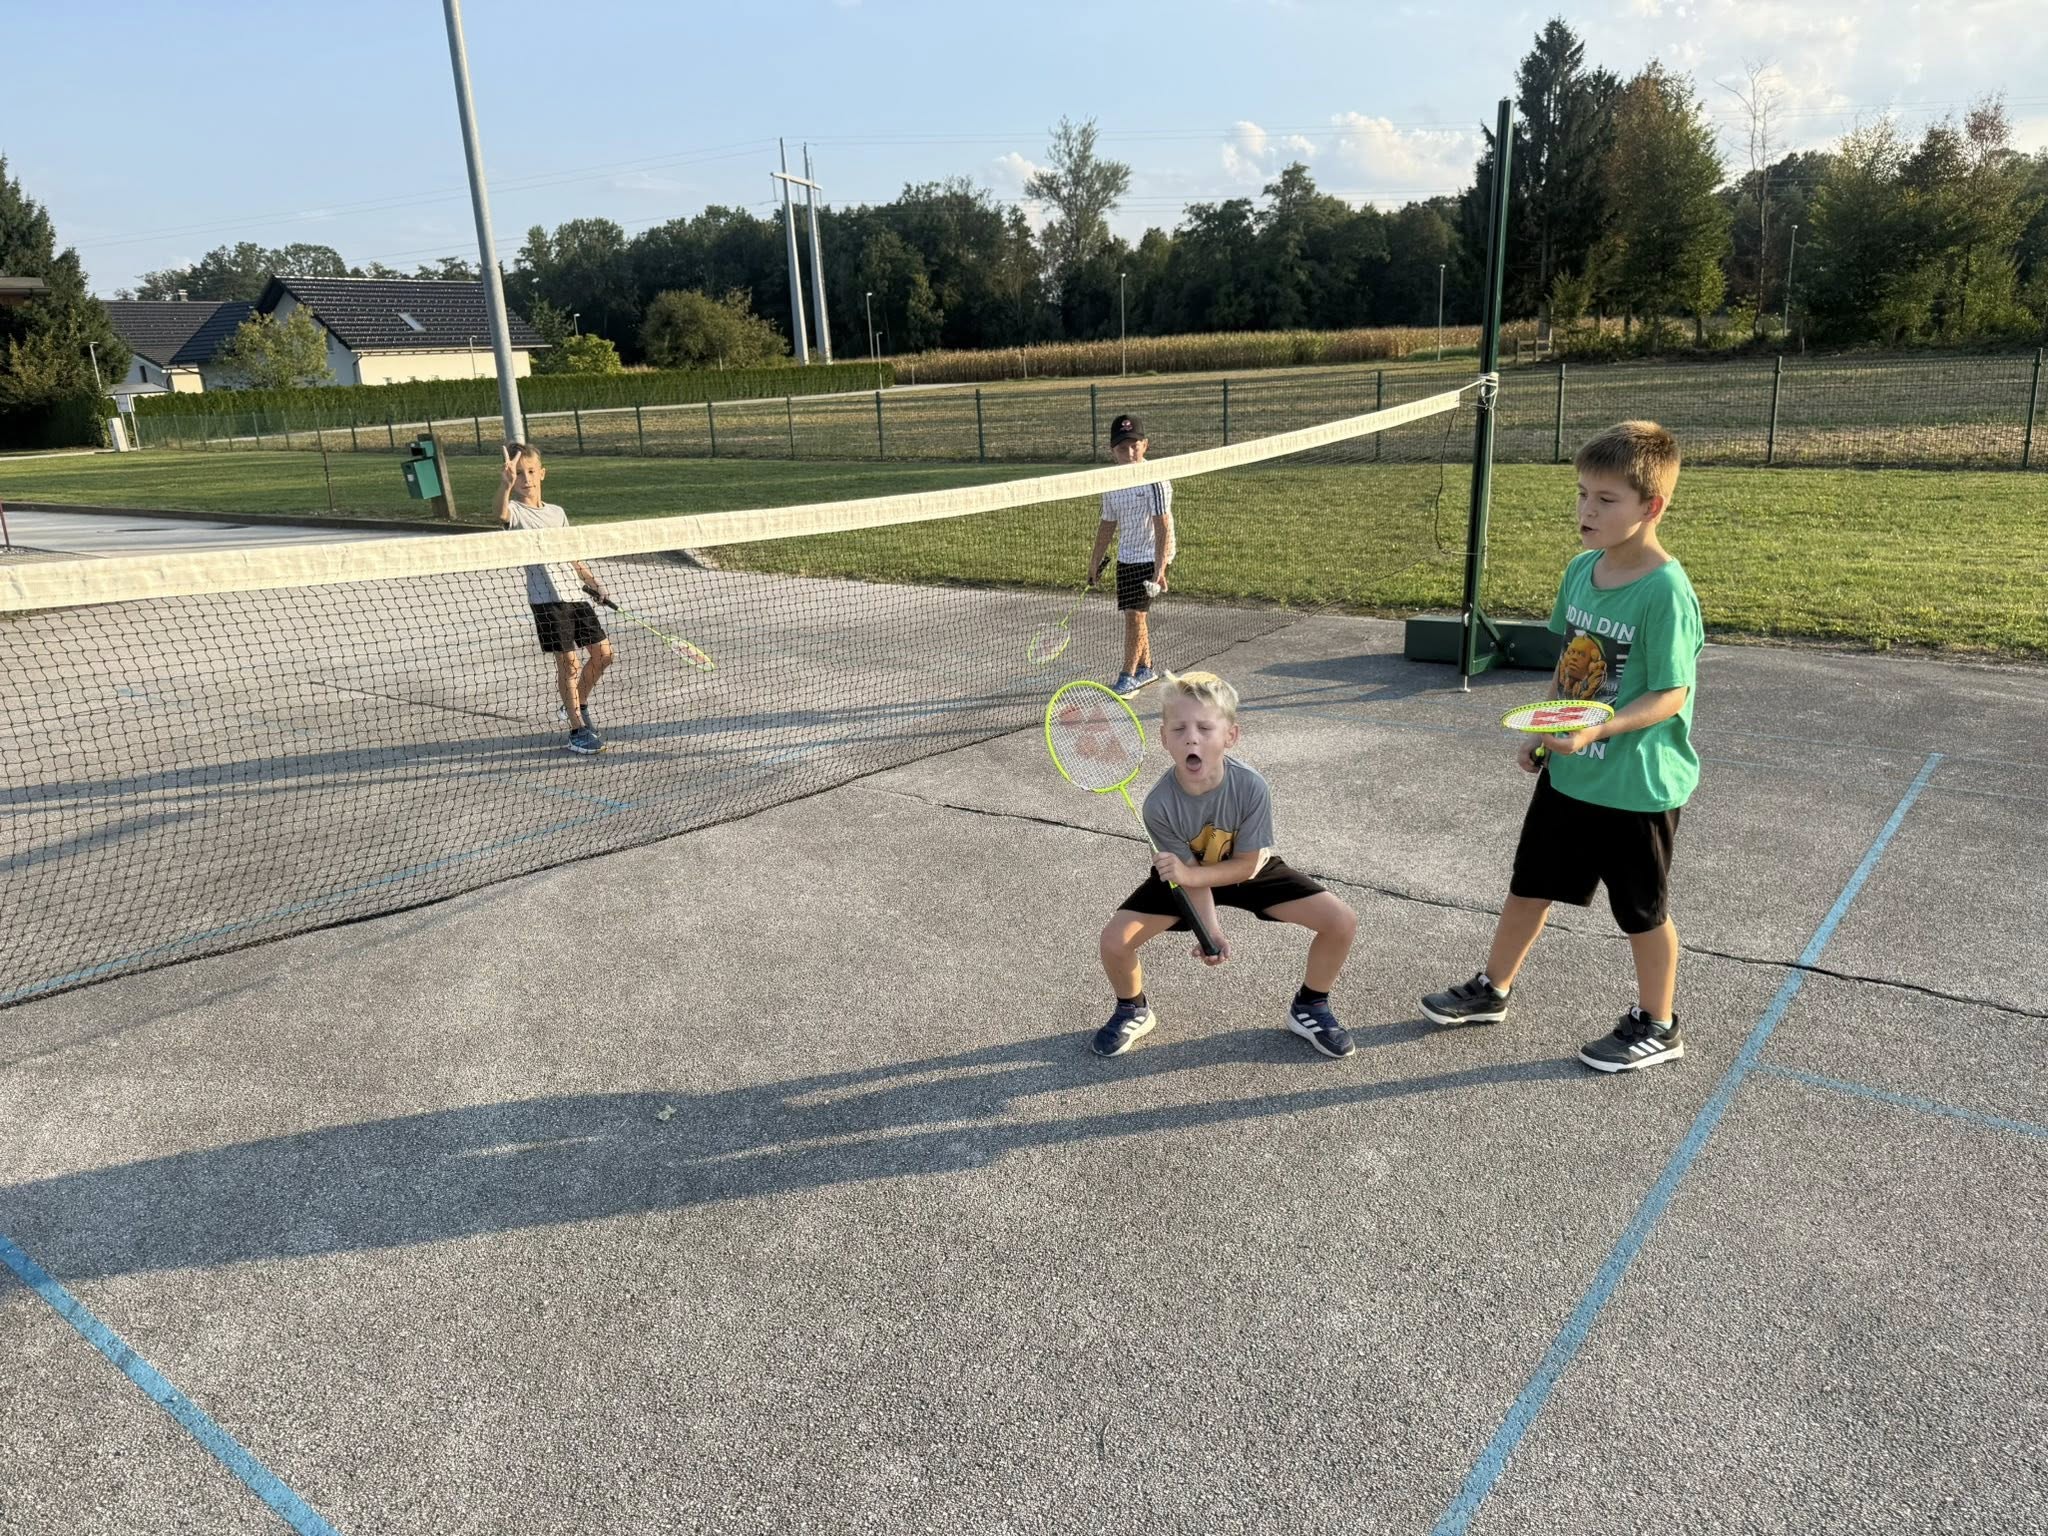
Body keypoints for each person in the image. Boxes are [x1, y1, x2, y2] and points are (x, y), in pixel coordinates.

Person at [1421, 420, 1705, 1073]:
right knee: (1530, 886)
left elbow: (1672, 694)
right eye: (1582, 494)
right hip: (1571, 774)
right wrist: (1546, 732)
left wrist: (1595, 731)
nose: (1587, 510)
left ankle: (1659, 1023)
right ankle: (1492, 989)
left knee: (1641, 913)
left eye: (1606, 499)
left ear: (1651, 507)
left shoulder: (1665, 591)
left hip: (1635, 787)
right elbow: (1571, 665)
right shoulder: (1581, 571)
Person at [1094, 671, 1359, 1060]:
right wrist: (1210, 930)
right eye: (1180, 728)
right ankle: (1133, 1008)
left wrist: (1193, 876)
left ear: (1230, 736)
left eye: (1205, 727)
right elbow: (1189, 878)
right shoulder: (1158, 805)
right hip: (1184, 878)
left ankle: (1311, 1006)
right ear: (1164, 738)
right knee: (1114, 942)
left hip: (1245, 869)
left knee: (1341, 921)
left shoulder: (1251, 786)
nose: (1192, 738)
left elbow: (1247, 866)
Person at [495, 442, 614, 755]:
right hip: (546, 600)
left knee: (603, 654)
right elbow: (500, 514)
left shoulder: (557, 512)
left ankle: (577, 703)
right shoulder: (516, 512)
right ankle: (576, 728)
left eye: (531, 471)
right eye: (519, 474)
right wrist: (504, 486)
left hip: (575, 597)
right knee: (569, 664)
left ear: (542, 473)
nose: (526, 478)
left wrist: (593, 582)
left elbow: (572, 556)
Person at [1086, 412, 1175, 695]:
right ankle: (1146, 668)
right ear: (1112, 451)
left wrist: (1160, 567)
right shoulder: (1111, 481)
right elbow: (1107, 524)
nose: (1130, 453)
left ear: (1145, 445)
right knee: (1134, 615)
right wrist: (1095, 561)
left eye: (1135, 446)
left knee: (1135, 615)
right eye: (1122, 448)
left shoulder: (1155, 479)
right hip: (1127, 555)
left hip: (1152, 553)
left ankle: (1127, 675)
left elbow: (1163, 525)